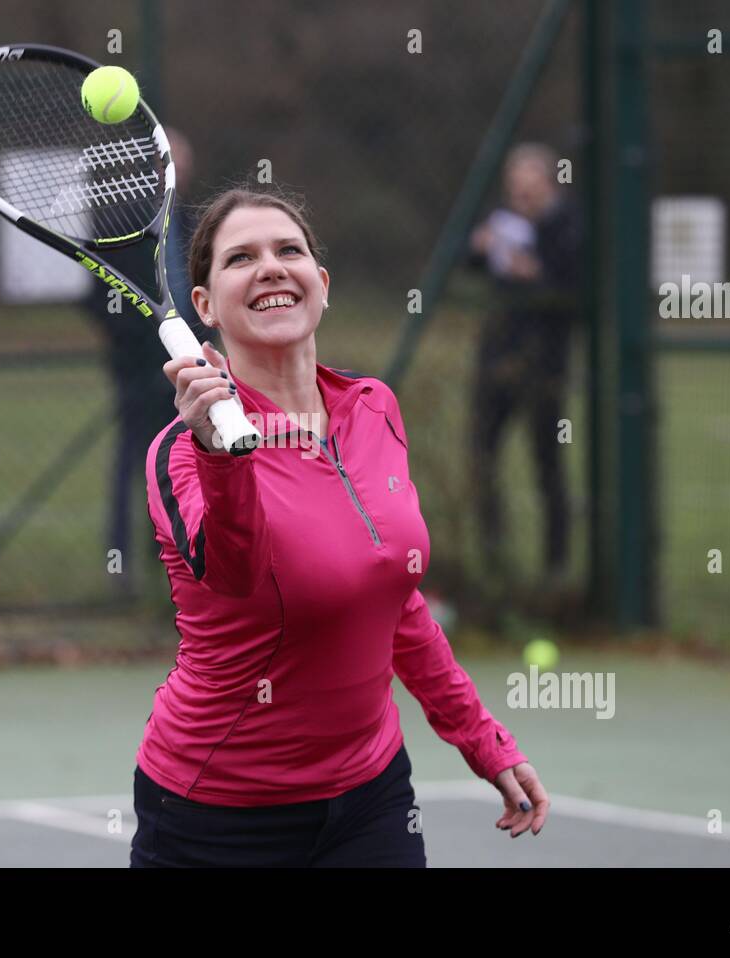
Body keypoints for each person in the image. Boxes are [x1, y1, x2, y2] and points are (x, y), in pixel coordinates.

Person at [129, 186, 549, 867]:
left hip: (370, 796)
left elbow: (395, 600)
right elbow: (234, 577)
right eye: (241, 257)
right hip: (217, 811)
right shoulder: (180, 453)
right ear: (203, 306)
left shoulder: (373, 407)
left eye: (288, 251)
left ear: (319, 285)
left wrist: (481, 737)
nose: (270, 267)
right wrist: (221, 452)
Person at [86, 128, 212, 596]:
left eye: (181, 159)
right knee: (134, 463)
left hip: (195, 368)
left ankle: (176, 564)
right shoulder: (118, 221)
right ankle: (121, 571)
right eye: (166, 160)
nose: (173, 169)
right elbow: (97, 296)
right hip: (140, 369)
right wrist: (135, 344)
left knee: (187, 463)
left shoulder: (199, 221)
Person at [467, 143, 582, 590]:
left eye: (529, 187)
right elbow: (470, 260)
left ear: (548, 182)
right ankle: (493, 556)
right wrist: (478, 248)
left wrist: (534, 275)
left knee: (547, 462)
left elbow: (572, 285)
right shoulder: (502, 221)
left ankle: (556, 565)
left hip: (544, 364)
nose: (520, 196)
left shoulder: (568, 226)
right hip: (495, 359)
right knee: (481, 453)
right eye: (515, 187)